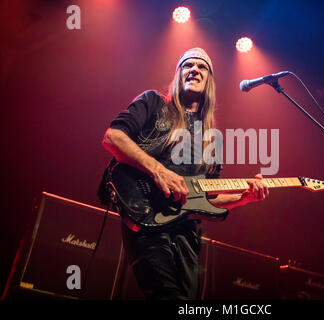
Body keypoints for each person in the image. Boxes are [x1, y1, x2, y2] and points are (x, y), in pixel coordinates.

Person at [98, 48, 269, 300]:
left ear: (209, 80)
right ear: (178, 74)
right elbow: (113, 137)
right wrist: (158, 170)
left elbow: (206, 199)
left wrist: (244, 198)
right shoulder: (153, 102)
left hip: (187, 235)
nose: (195, 70)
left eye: (202, 67)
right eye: (188, 65)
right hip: (146, 216)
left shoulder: (212, 140)